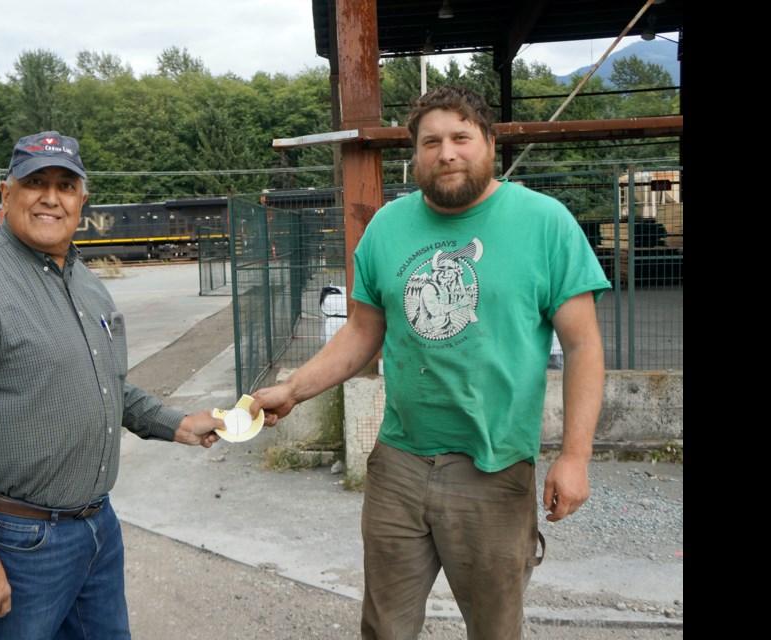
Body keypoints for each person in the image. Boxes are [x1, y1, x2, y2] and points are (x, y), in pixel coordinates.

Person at [251, 85, 611, 640]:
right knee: (385, 628)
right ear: (414, 155)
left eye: (461, 137)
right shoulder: (388, 229)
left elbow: (585, 345)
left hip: (494, 467)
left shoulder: (546, 224)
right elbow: (362, 332)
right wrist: (294, 389)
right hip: (398, 464)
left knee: (495, 629)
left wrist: (576, 457)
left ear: (489, 144)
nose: (447, 152)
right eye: (431, 141)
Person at [0, 130, 224, 639]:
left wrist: (178, 424)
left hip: (99, 527)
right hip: (19, 540)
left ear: (82, 198)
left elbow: (106, 385)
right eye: (35, 182)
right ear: (7, 192)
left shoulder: (85, 281)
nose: (51, 197)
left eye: (64, 183)